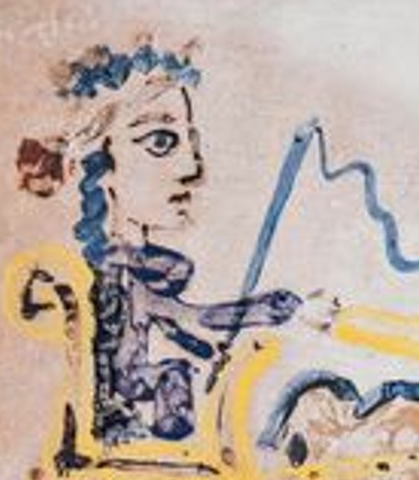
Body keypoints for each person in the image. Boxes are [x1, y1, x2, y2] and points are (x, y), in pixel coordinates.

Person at [15, 42, 300, 444]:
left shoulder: (134, 275)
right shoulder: (103, 276)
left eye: (190, 142)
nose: (193, 168)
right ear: (100, 165)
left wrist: (259, 310)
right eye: (161, 142)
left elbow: (190, 318)